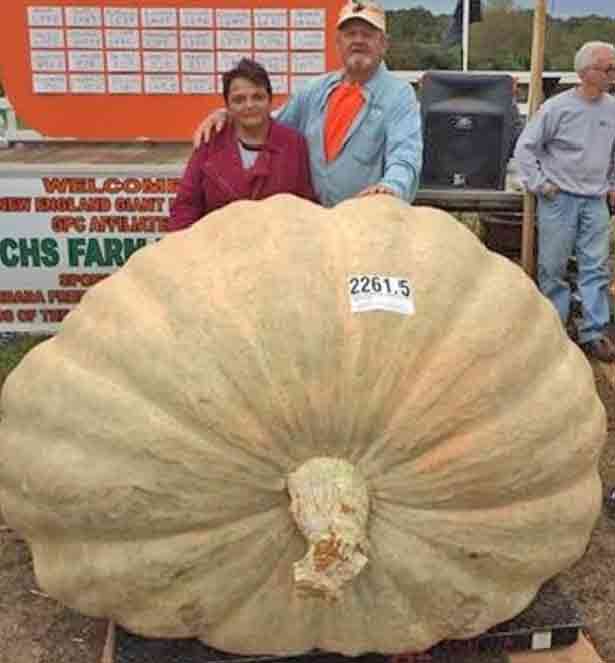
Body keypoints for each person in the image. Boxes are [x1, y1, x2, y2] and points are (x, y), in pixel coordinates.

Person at [193, 0, 422, 208]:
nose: (358, 41)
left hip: (366, 225)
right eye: (350, 34)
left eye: (368, 34)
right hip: (314, 224)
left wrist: (393, 187)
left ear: (384, 43)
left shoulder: (399, 95)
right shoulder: (316, 89)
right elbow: (270, 124)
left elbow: (405, 153)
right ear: (338, 43)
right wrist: (229, 115)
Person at [514, 41, 615, 362]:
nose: (613, 74)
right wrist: (541, 186)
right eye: (608, 68)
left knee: (595, 267)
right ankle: (555, 329)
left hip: (595, 200)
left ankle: (593, 331)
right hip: (559, 200)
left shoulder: (613, 109)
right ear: (586, 73)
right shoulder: (558, 109)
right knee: (552, 267)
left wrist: (612, 184)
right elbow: (525, 148)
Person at [169, 58, 315, 231]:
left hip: (276, 249)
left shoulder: (293, 143)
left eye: (258, 97)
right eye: (239, 100)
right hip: (218, 249)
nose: (249, 105)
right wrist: (181, 248)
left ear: (270, 100)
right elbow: (186, 205)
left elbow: (305, 205)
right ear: (228, 106)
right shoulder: (210, 141)